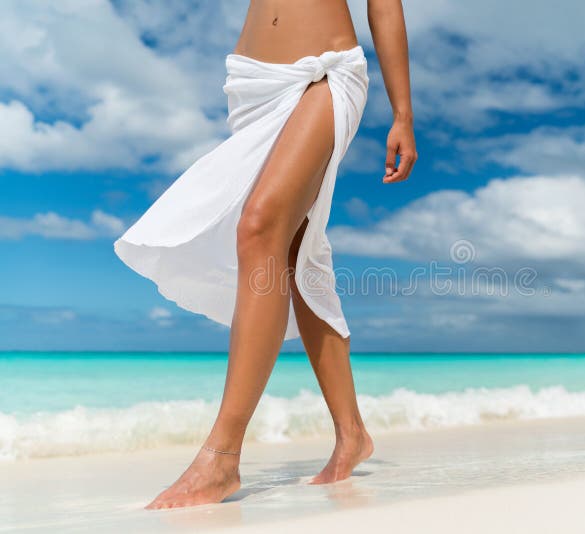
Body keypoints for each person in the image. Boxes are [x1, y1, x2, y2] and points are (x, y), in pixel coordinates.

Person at [137, 0, 416, 510]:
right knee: (297, 251)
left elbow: (385, 6)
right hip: (251, 83)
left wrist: (403, 115)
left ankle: (222, 456)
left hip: (326, 73)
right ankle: (352, 432)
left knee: (258, 225)